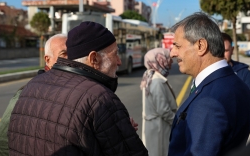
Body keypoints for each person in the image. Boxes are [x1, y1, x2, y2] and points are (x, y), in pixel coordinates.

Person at [8, 21, 148, 156]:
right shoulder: (100, 99)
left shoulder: (32, 85)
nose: (119, 61)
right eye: (115, 54)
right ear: (94, 59)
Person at [168, 12, 250, 156]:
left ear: (201, 46)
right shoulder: (235, 83)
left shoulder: (208, 103)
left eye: (177, 46)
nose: (172, 53)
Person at [0, 33, 67, 156]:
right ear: (48, 60)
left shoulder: (78, 89)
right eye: (63, 54)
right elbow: (0, 143)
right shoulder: (27, 93)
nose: (70, 59)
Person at [140, 48, 177, 156]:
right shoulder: (157, 81)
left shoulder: (149, 75)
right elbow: (163, 110)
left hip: (154, 126)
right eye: (168, 59)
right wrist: (176, 121)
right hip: (159, 128)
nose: (171, 61)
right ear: (160, 60)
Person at [222, 32, 250, 101]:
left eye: (225, 51)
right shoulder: (205, 72)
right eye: (219, 50)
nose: (222, 54)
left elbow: (249, 102)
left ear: (232, 50)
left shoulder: (244, 73)